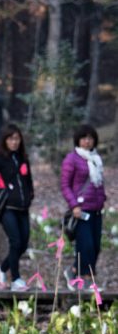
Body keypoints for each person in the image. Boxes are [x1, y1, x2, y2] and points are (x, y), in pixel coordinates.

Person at [0, 123, 34, 291]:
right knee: (15, 241)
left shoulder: (23, 159)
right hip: (7, 208)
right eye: (11, 139)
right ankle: (16, 279)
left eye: (17, 138)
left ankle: (1, 269)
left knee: (23, 244)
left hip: (23, 208)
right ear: (5, 140)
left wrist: (29, 196)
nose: (14, 142)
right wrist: (3, 192)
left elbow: (28, 182)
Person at [61, 123, 106, 290]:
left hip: (96, 209)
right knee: (85, 245)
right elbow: (65, 185)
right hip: (81, 210)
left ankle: (73, 271)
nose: (87, 141)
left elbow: (99, 185)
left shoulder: (95, 159)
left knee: (95, 246)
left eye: (90, 138)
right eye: (84, 138)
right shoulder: (71, 159)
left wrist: (103, 200)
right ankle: (87, 280)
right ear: (78, 140)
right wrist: (74, 205)